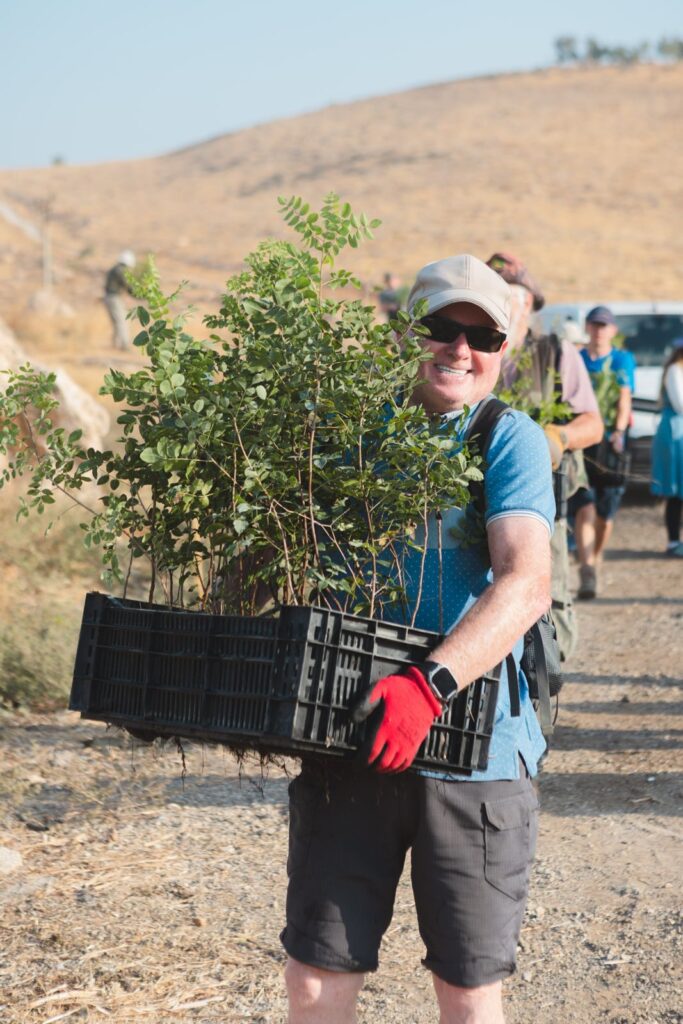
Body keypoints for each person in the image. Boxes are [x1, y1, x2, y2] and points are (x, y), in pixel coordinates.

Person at [282, 254, 555, 1024]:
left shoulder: (506, 439)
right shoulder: (344, 438)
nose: (458, 348)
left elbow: (524, 582)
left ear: (504, 351)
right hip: (352, 737)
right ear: (406, 332)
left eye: (481, 335)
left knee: (466, 993)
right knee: (314, 976)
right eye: (440, 326)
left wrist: (426, 684)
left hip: (475, 755)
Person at [486, 252, 603, 661]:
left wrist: (556, 437)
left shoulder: (555, 353)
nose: (506, 308)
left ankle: (542, 689)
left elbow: (594, 423)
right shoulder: (475, 350)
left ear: (531, 305)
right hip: (473, 499)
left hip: (541, 503)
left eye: (513, 299)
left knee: (543, 597)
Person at [569, 305, 636, 599]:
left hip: (609, 441)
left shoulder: (622, 360)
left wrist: (619, 432)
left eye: (604, 325)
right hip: (583, 441)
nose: (599, 330)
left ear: (613, 331)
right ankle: (587, 570)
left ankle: (593, 556)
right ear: (588, 327)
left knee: (605, 516)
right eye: (595, 324)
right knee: (584, 505)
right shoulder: (577, 358)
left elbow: (624, 399)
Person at [651, 338, 683, 556]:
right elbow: (681, 404)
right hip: (676, 433)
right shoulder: (674, 370)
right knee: (676, 490)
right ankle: (673, 541)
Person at [104, 250, 136, 350]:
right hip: (113, 298)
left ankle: (116, 344)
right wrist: (139, 295)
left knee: (117, 321)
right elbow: (128, 286)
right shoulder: (120, 271)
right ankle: (124, 345)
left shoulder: (115, 269)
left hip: (110, 297)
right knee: (122, 320)